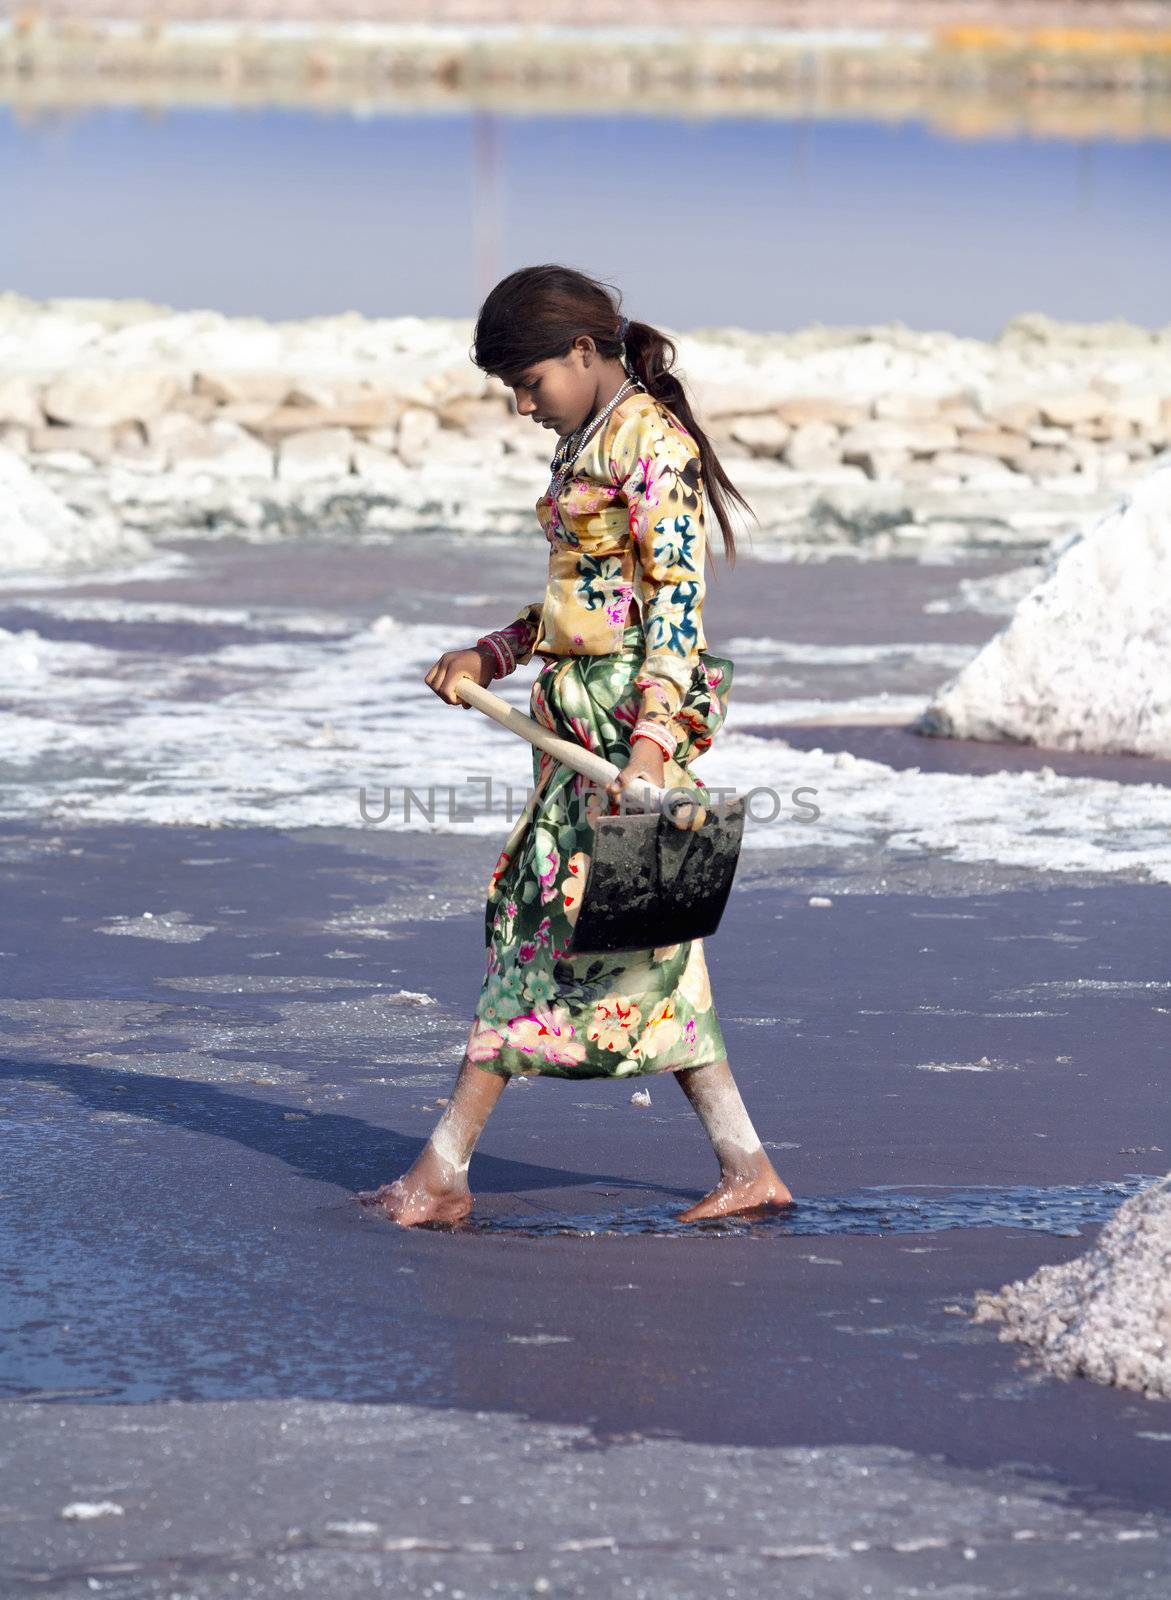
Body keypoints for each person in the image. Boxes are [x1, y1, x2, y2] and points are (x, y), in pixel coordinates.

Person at [358, 264, 792, 1228]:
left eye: (530, 382)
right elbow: (581, 602)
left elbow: (676, 609)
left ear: (584, 353)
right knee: (650, 949)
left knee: (540, 929)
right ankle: (746, 1168)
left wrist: (647, 743)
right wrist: (496, 651)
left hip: (623, 734)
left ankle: (441, 1171)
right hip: (575, 728)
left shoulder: (651, 445)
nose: (521, 405)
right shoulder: (586, 441)